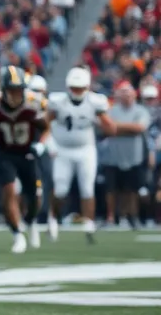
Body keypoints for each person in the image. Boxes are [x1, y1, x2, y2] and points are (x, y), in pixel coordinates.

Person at [0, 66, 50, 254]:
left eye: (19, 89)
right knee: (9, 191)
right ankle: (17, 234)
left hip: (27, 151)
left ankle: (31, 221)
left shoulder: (33, 102)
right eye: (11, 89)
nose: (16, 94)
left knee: (35, 196)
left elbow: (46, 127)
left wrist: (41, 143)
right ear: (3, 89)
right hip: (5, 153)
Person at [47, 67, 113, 243]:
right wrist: (49, 143)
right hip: (62, 149)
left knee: (87, 188)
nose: (76, 91)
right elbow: (45, 124)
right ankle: (53, 220)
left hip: (86, 149)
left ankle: (89, 226)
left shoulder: (95, 102)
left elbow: (110, 127)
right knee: (60, 189)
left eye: (80, 87)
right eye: (74, 87)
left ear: (87, 86)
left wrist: (103, 123)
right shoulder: (58, 101)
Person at [103, 82, 151, 230]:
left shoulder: (140, 111)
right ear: (118, 95)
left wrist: (117, 127)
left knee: (132, 190)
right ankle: (111, 218)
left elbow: (140, 127)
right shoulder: (111, 110)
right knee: (111, 189)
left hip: (133, 157)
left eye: (128, 93)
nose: (126, 96)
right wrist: (127, 128)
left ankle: (132, 216)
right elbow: (106, 128)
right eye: (123, 93)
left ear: (134, 95)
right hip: (113, 156)